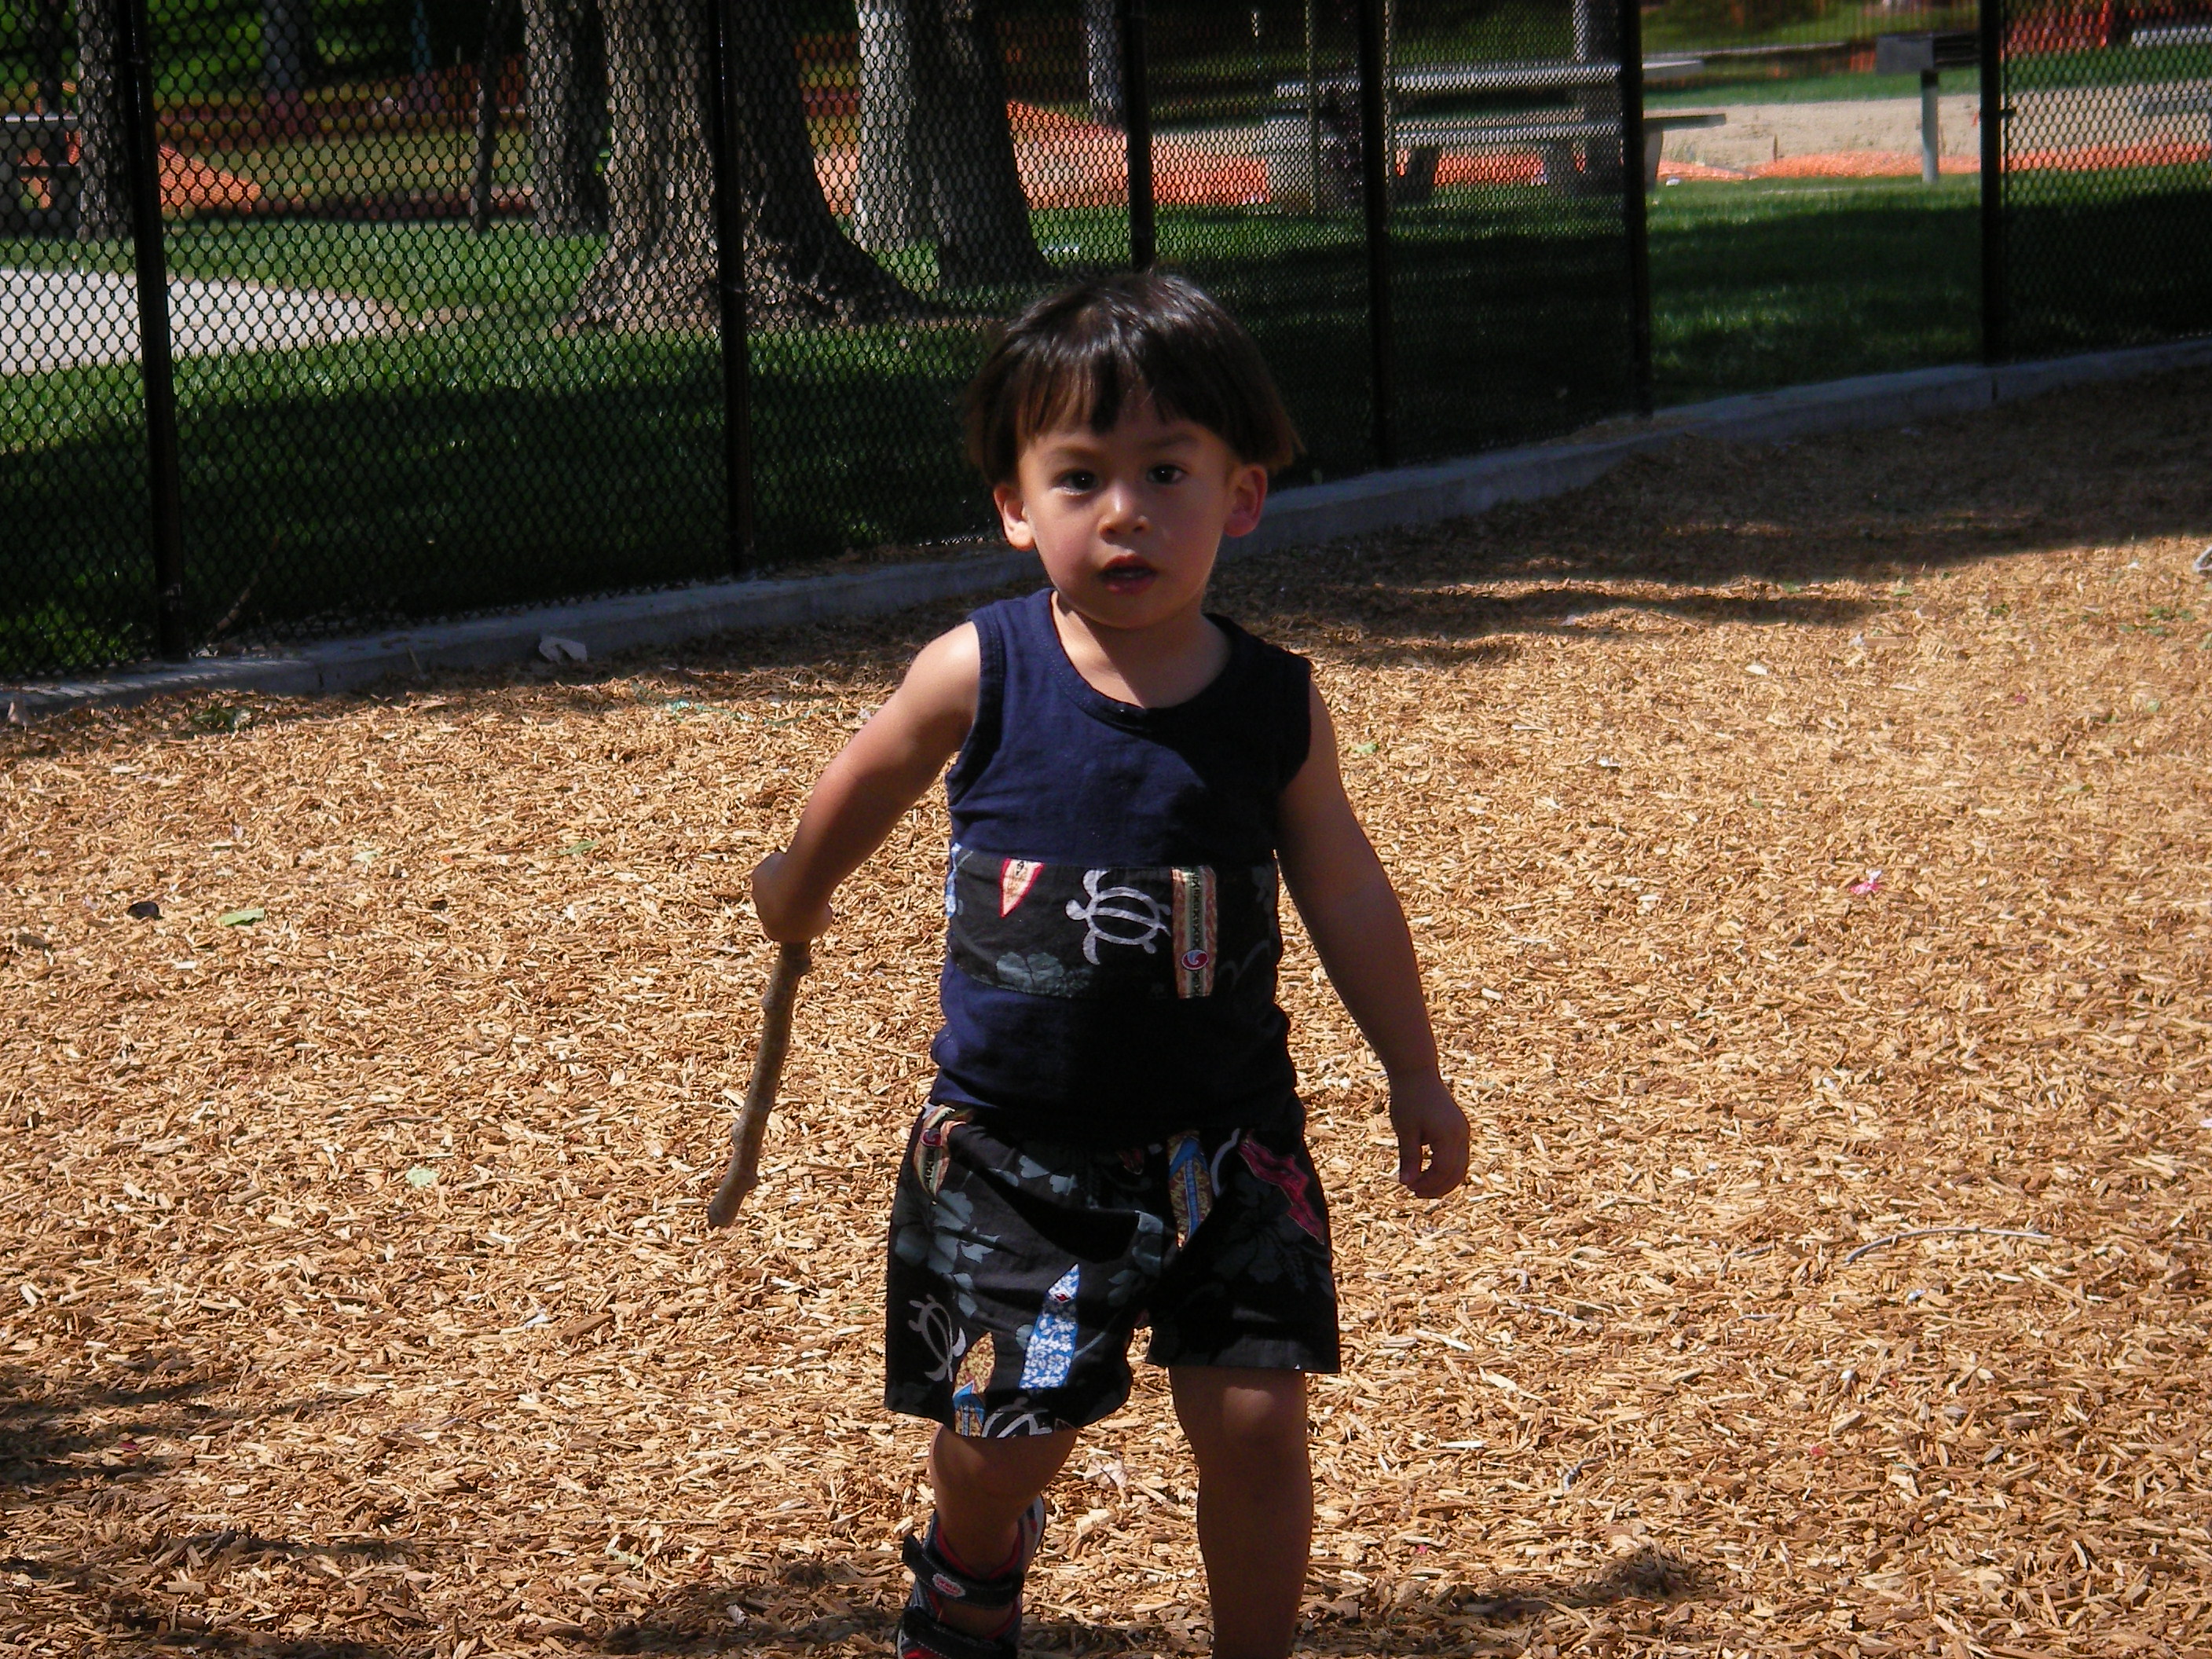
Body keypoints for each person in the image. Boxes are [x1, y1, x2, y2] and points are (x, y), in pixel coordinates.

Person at [749, 272, 1470, 1659]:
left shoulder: (1274, 705)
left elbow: (1345, 888)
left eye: (1165, 473)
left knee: (1255, 1421)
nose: (1123, 512)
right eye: (1079, 477)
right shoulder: (982, 669)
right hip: (1019, 1150)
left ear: (1241, 497)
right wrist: (798, 888)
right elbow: (870, 772)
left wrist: (1415, 1071)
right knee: (1003, 1447)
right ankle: (973, 1555)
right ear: (1016, 507)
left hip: (1232, 1139)